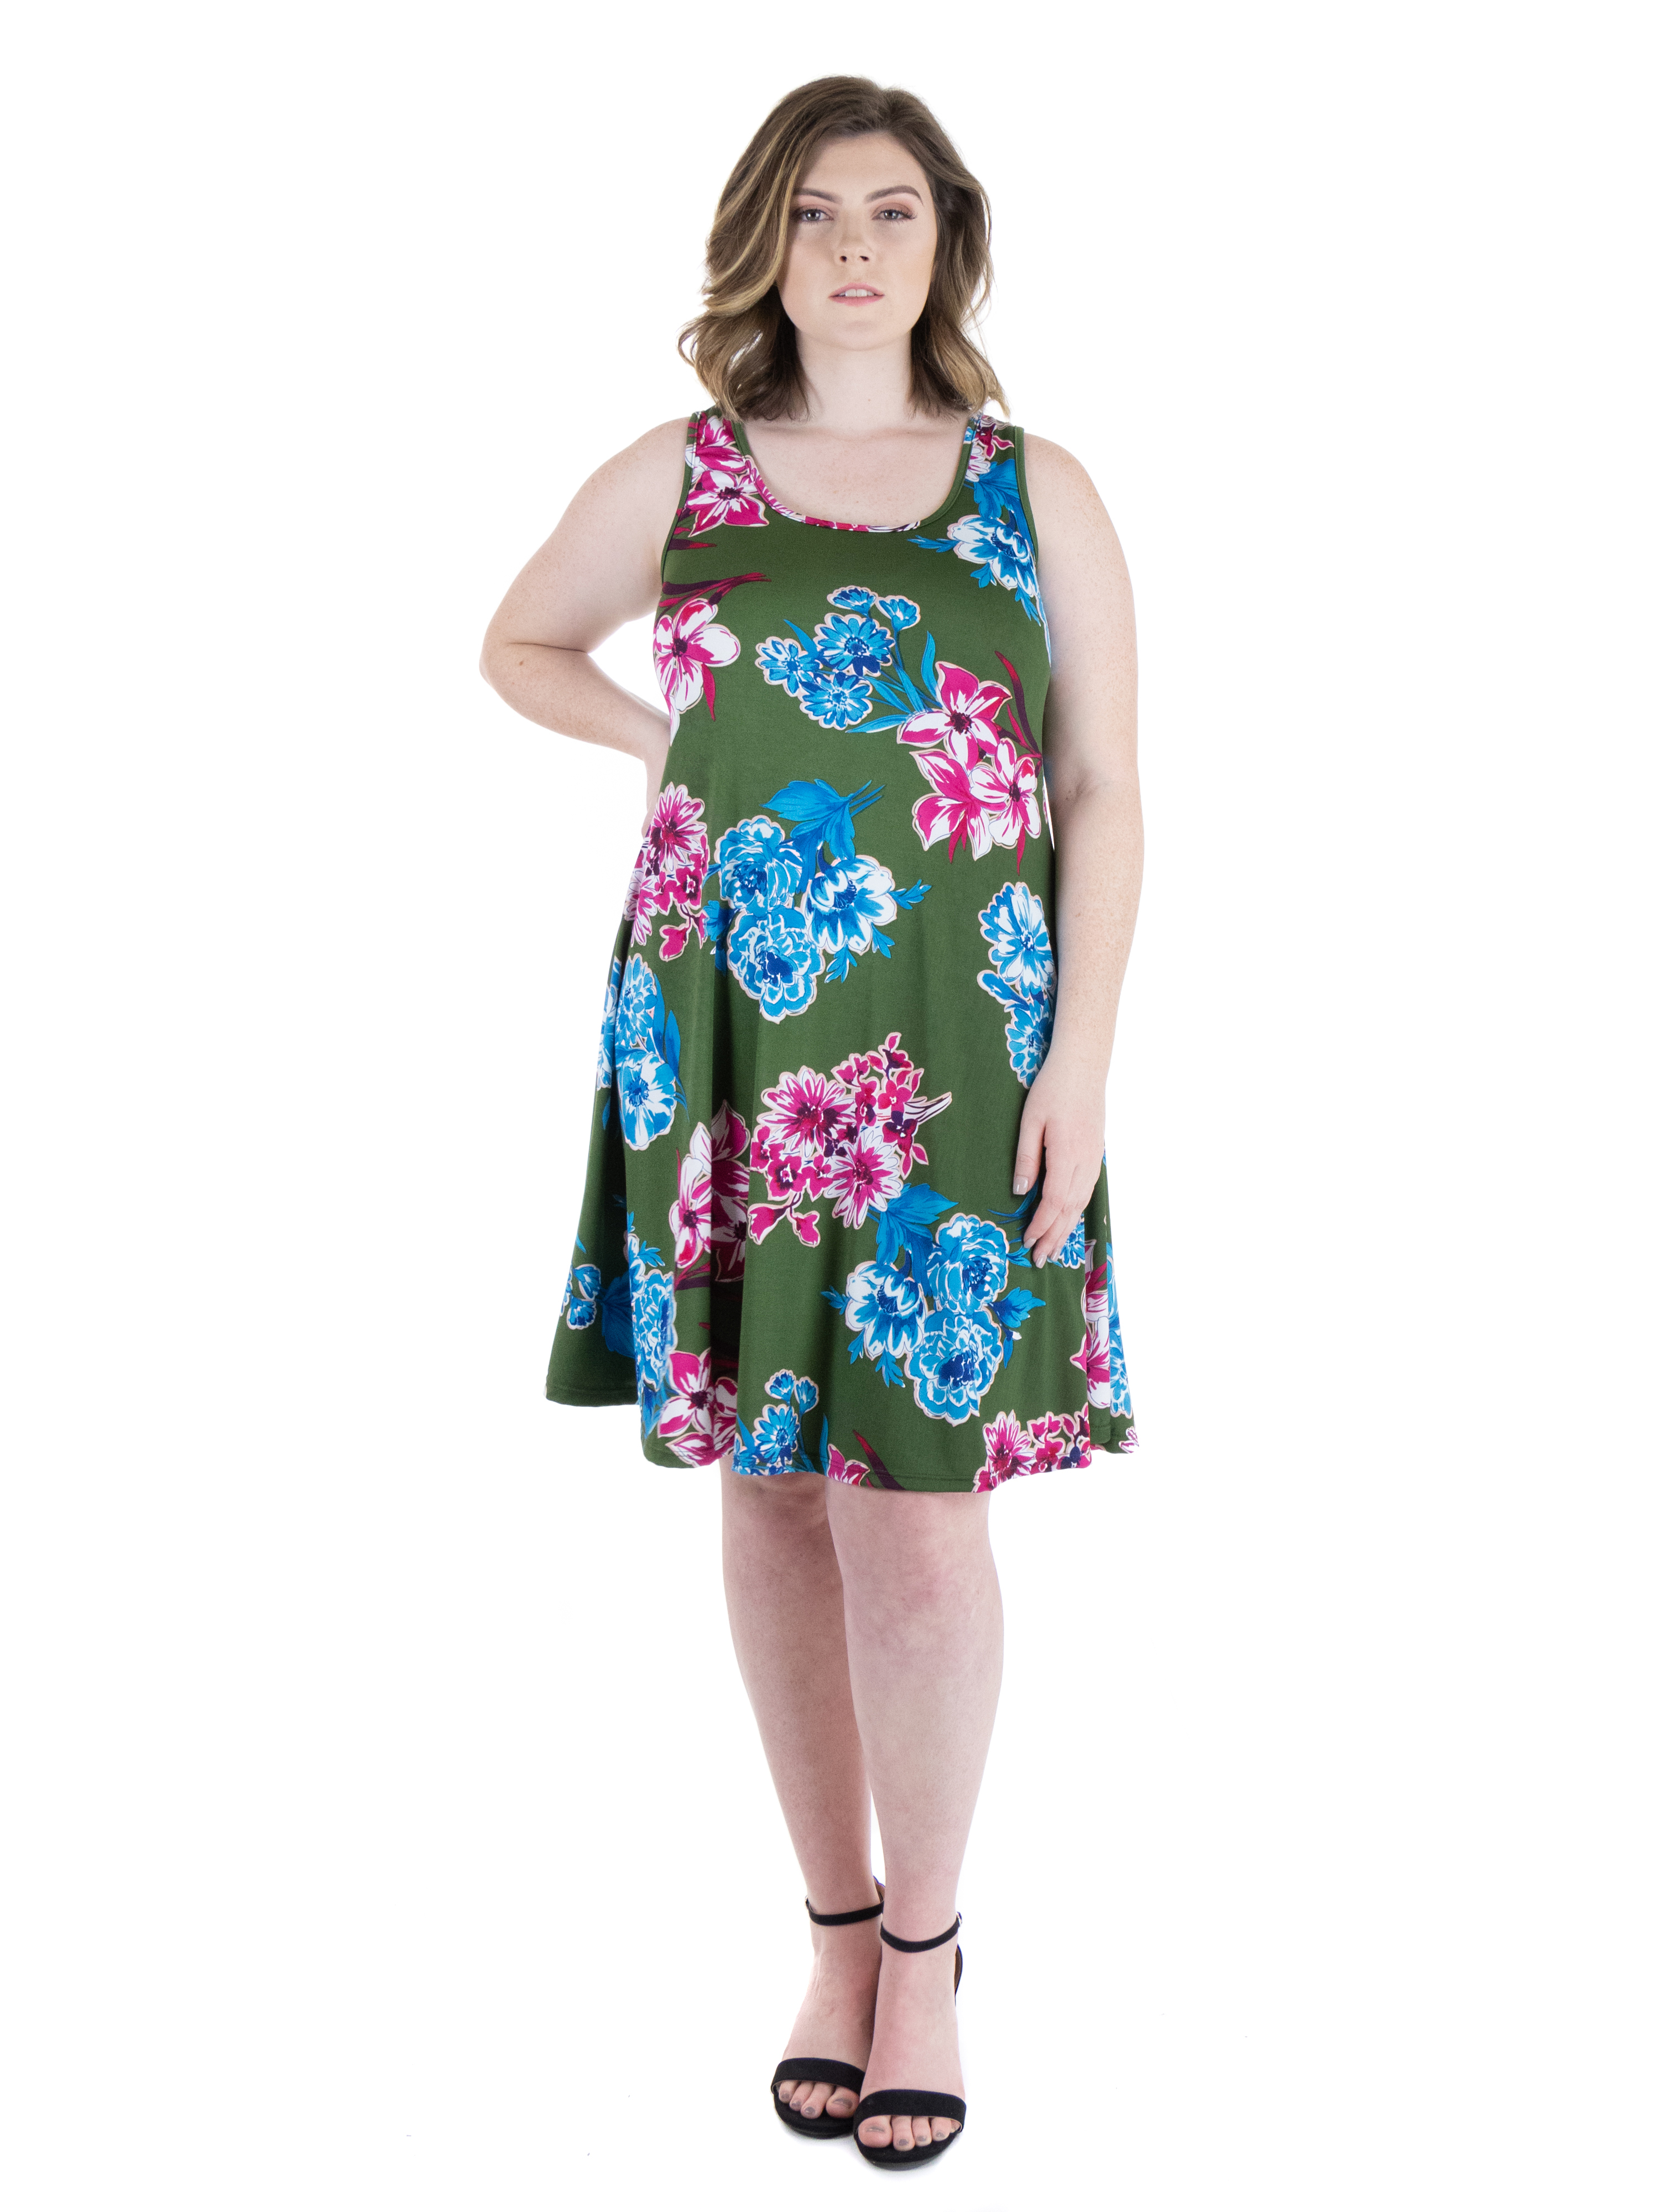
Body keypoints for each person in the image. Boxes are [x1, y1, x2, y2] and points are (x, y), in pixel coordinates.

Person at [481, 75, 1142, 2168]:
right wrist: (660, 731)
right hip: (728, 1038)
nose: (856, 248)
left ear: (946, 241)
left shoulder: (1034, 489)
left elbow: (1105, 787)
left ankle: (929, 1952)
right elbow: (515, 643)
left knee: (918, 1511)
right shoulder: (679, 473)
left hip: (965, 1042)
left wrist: (1083, 1061)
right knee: (772, 1493)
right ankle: (835, 1933)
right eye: (818, 211)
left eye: (893, 211)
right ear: (766, 239)